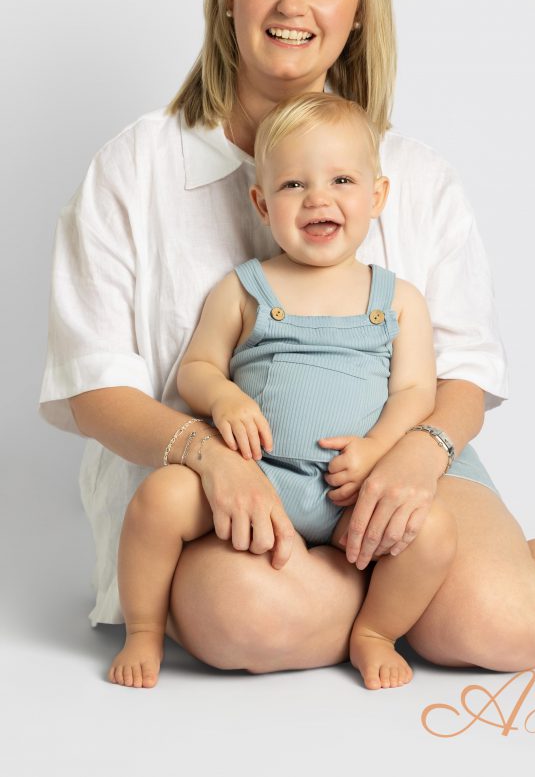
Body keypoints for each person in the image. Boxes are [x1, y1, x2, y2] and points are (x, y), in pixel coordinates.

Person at [40, 0, 535, 682]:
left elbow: (463, 372)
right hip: (232, 484)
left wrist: (418, 452)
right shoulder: (135, 167)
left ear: (359, 8)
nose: (292, 5)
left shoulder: (413, 175)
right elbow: (94, 388)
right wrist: (209, 455)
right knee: (240, 616)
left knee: (505, 626)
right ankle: (396, 611)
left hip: (399, 461)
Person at [110, 92, 462, 690]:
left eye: (342, 180)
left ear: (377, 196)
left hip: (355, 494)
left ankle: (374, 631)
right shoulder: (245, 288)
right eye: (294, 184)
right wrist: (225, 398)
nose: (318, 198)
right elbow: (196, 368)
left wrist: (378, 449)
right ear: (262, 203)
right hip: (258, 481)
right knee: (160, 499)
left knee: (433, 534)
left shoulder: (398, 299)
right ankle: (143, 629)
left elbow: (414, 392)